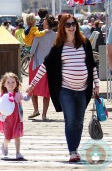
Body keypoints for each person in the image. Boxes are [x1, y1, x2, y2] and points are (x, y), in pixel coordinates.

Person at [26, 14, 99, 162]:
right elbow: (45, 65)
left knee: (79, 122)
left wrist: (97, 84)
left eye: (73, 24)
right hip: (65, 89)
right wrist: (33, 84)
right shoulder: (58, 46)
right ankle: (72, 151)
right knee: (71, 120)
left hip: (83, 90)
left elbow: (91, 65)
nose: (71, 27)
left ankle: (75, 148)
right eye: (68, 25)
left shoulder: (84, 43)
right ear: (62, 27)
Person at [0, 72, 30, 159]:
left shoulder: (18, 94)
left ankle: (18, 153)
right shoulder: (1, 95)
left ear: (16, 83)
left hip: (17, 119)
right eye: (8, 82)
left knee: (17, 136)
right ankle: (4, 144)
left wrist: (30, 93)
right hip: (6, 120)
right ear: (4, 84)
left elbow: (26, 98)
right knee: (8, 137)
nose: (11, 84)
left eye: (13, 82)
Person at [28, 15, 56, 120]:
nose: (42, 22)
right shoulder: (56, 35)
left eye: (44, 21)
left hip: (36, 64)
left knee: (32, 87)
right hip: (49, 65)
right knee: (46, 91)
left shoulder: (38, 35)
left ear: (46, 23)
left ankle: (36, 110)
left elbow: (32, 51)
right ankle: (44, 115)